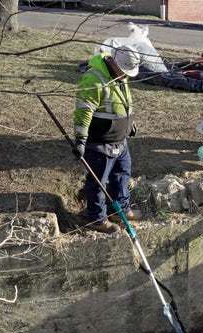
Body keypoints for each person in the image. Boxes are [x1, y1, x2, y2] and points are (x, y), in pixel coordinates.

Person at [73, 45, 143, 233]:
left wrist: (130, 122)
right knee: (98, 183)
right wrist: (80, 139)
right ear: (114, 62)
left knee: (122, 174)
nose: (126, 74)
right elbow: (83, 112)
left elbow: (123, 101)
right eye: (124, 70)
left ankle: (119, 209)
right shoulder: (94, 80)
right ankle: (97, 218)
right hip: (101, 142)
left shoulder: (120, 75)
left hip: (120, 139)